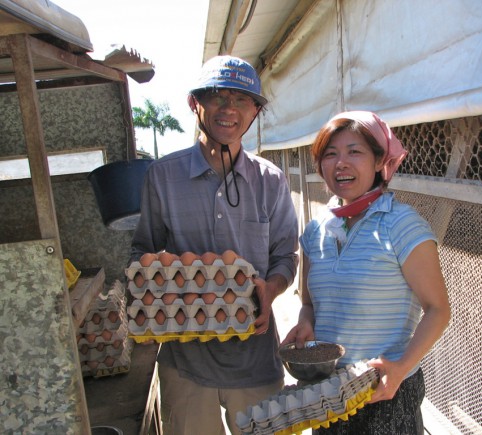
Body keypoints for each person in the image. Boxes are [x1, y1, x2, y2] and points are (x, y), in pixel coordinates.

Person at [131, 55, 299, 435]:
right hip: (186, 363)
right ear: (195, 104)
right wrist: (168, 285)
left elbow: (285, 256)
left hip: (255, 361)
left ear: (255, 111)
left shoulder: (270, 180)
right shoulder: (162, 177)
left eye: (242, 100)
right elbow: (141, 253)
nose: (229, 109)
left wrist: (269, 291)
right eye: (218, 97)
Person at [281, 111, 450, 434]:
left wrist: (400, 368)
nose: (340, 163)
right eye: (330, 154)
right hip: (330, 391)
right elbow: (310, 304)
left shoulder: (401, 224)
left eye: (354, 151)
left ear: (378, 161)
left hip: (387, 392)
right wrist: (305, 323)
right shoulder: (315, 231)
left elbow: (438, 309)